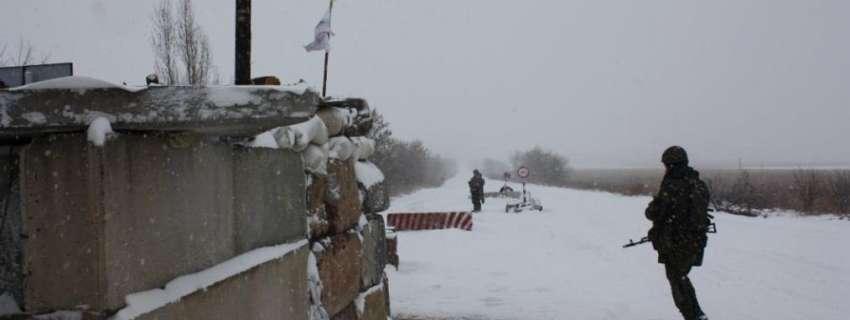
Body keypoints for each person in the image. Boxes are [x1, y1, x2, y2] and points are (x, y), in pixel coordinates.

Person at [645, 146, 711, 320]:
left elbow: (654, 213)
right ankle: (696, 315)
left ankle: (695, 316)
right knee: (681, 278)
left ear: (671, 164)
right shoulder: (698, 184)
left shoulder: (672, 185)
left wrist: (654, 208)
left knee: (678, 282)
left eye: (666, 165)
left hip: (675, 244)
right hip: (694, 243)